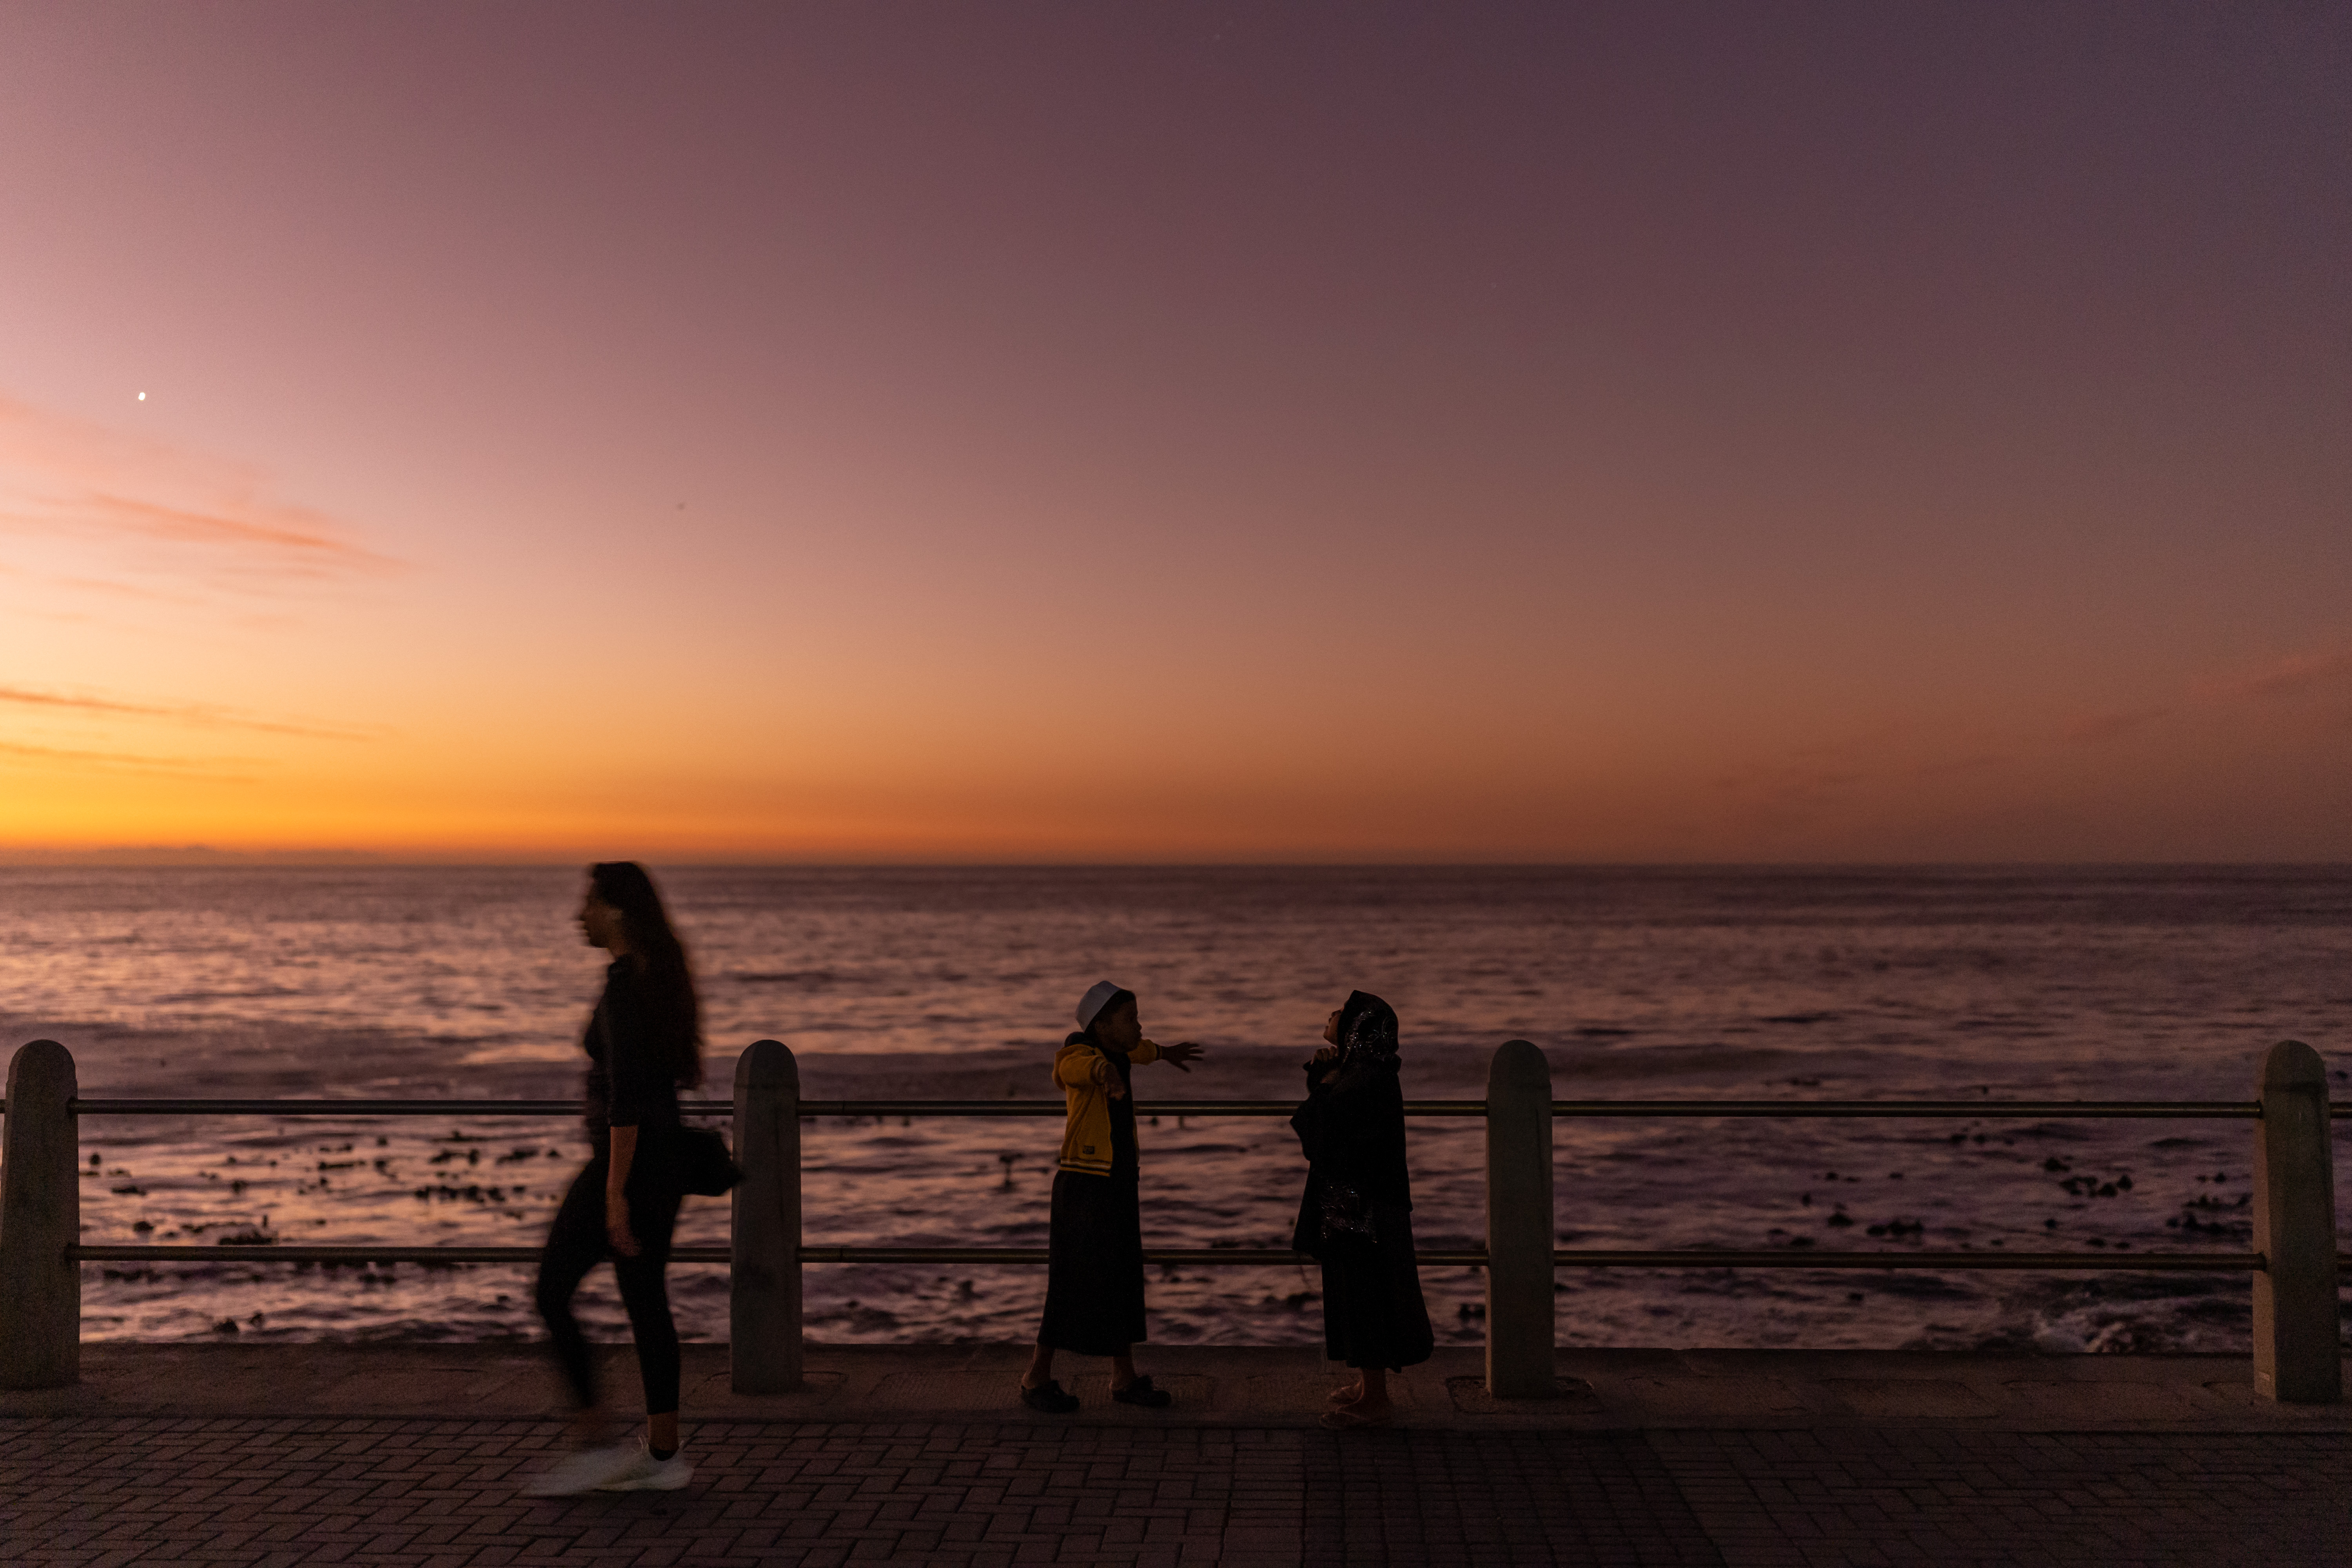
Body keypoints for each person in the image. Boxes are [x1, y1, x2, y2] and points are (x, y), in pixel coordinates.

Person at [522, 862, 703, 1495]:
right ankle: (661, 1455)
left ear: (617, 912)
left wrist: (614, 1195)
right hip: (662, 1162)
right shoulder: (656, 979)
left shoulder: (628, 987)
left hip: (629, 1166)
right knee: (645, 1301)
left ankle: (598, 1439)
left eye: (588, 903)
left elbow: (628, 1099)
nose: (579, 916)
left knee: (551, 1292)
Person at [1018, 980, 1204, 1412]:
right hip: (1084, 1184)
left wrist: (1165, 1052)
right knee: (1071, 1280)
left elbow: (1139, 1049)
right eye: (1131, 1019)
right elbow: (1072, 1071)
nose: (1139, 1025)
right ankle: (1036, 1376)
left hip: (1118, 1180)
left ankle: (1124, 1378)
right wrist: (1107, 1074)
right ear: (1101, 1026)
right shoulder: (1078, 1054)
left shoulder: (1121, 1049)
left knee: (1121, 1276)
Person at [1290, 990, 1433, 1429]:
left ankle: (1376, 1400)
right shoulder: (1365, 1071)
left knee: (1366, 1297)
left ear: (1358, 1028)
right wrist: (1326, 1078)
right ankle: (1367, 1385)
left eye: (1341, 1013)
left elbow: (1320, 1133)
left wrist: (1323, 1085)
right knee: (1357, 1295)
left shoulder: (1363, 1078)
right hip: (1361, 1207)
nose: (1332, 1014)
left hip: (1363, 1212)